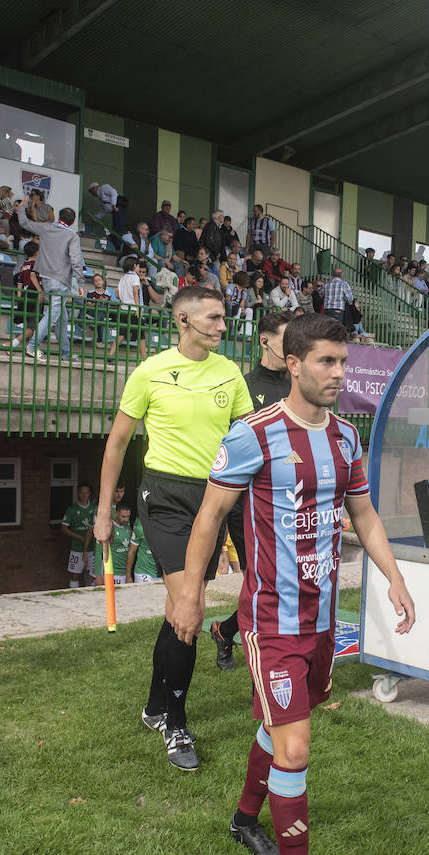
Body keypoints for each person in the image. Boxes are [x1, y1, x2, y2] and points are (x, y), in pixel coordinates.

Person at [176, 312, 416, 855]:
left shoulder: (344, 439)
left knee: (280, 727)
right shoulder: (252, 434)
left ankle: (242, 819)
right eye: (327, 362)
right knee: (298, 749)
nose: (340, 373)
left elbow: (362, 514)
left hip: (323, 618)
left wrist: (394, 577)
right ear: (293, 363)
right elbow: (208, 517)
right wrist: (189, 593)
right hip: (270, 620)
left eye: (344, 362)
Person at [95, 286, 253, 771]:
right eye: (214, 318)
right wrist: (104, 511)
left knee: (176, 610)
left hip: (213, 498)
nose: (223, 327)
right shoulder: (150, 372)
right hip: (162, 497)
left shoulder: (229, 373)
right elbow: (117, 445)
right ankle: (177, 724)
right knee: (190, 607)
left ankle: (154, 706)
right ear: (183, 320)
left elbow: (249, 440)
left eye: (224, 319)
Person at [210, 310, 291, 671]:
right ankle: (267, 672)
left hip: (290, 502)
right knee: (262, 584)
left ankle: (225, 630)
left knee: (278, 584)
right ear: (265, 341)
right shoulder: (243, 387)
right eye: (287, 340)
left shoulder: (299, 385)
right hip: (248, 507)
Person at [18, 199, 86, 364]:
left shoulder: (47, 227)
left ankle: (66, 353)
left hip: (46, 279)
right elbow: (76, 260)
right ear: (73, 221)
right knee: (52, 315)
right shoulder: (72, 235)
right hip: (61, 280)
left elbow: (24, 222)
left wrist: (21, 207)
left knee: (61, 318)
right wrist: (81, 283)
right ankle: (32, 346)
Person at [61, 483, 97, 587]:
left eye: (86, 492)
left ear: (90, 494)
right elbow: (63, 529)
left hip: (93, 548)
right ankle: (73, 596)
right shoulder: (72, 509)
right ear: (78, 493)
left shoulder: (94, 508)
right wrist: (80, 537)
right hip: (77, 548)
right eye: (81, 492)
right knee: (74, 575)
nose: (83, 495)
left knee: (93, 575)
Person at [95, 504, 133, 585]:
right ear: (116, 513)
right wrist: (98, 575)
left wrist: (128, 575)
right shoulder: (108, 528)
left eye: (128, 517)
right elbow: (98, 552)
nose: (126, 519)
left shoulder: (128, 529)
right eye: (123, 517)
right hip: (112, 572)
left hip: (125, 573)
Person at [128, 511, 160, 583]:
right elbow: (132, 552)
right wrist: (128, 575)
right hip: (143, 571)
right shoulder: (140, 528)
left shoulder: (167, 528)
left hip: (161, 573)